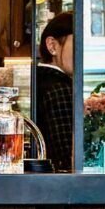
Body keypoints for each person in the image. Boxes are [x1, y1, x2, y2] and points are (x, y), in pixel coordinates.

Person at [37, 11, 73, 172]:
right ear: (52, 45)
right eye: (78, 44)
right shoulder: (59, 87)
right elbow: (68, 156)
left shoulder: (37, 78)